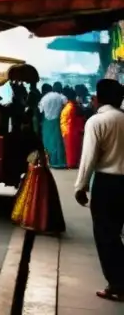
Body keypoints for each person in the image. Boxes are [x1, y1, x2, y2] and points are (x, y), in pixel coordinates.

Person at [75, 79, 124, 302]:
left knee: (106, 235)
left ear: (99, 98)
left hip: (107, 184)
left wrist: (81, 186)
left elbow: (89, 158)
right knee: (116, 234)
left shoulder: (97, 121)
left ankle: (117, 284)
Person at [39, 82, 68, 169]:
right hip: (57, 121)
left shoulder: (44, 98)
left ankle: (49, 161)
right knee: (58, 142)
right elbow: (66, 106)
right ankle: (59, 162)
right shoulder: (61, 97)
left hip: (47, 123)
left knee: (47, 141)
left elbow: (40, 111)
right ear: (60, 89)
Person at [61, 88, 85, 169]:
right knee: (74, 149)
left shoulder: (69, 107)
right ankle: (74, 163)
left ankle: (71, 164)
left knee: (71, 149)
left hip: (68, 130)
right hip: (72, 131)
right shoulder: (73, 106)